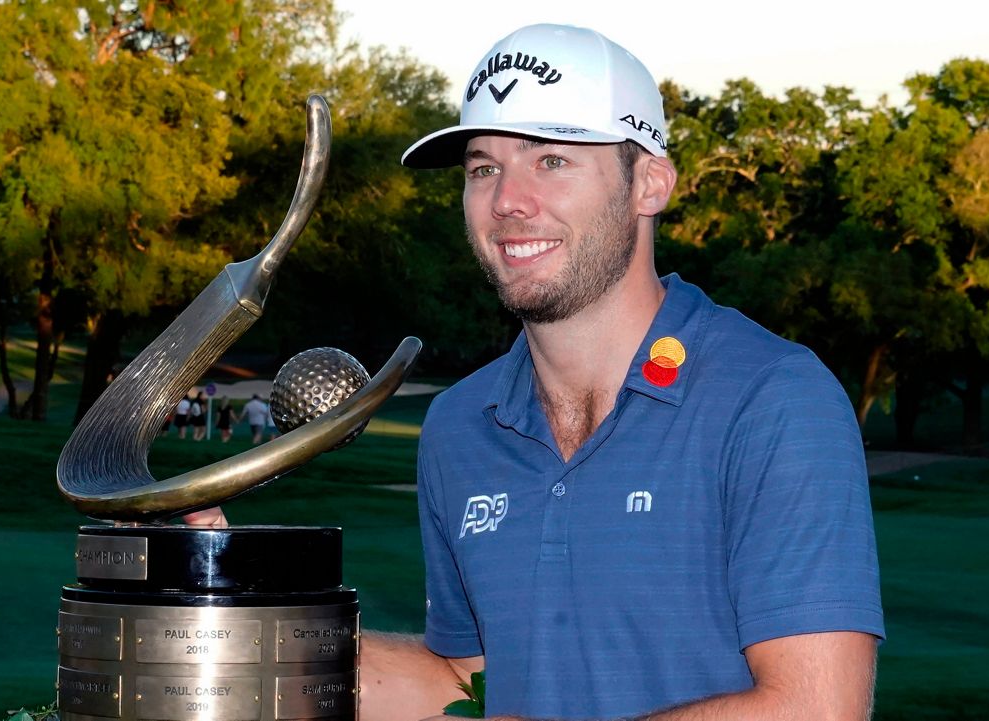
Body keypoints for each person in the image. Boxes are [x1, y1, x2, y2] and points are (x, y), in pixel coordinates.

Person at [196, 23, 883, 720]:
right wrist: (241, 625)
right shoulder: (460, 426)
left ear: (650, 183)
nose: (507, 201)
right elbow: (464, 683)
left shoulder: (773, 398)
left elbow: (817, 707)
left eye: (551, 160)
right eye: (482, 168)